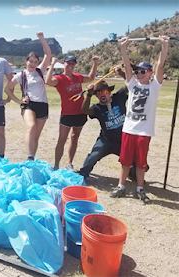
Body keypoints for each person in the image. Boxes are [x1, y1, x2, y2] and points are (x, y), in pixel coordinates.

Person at [110, 35, 169, 204]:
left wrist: (164, 47)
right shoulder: (132, 84)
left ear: (149, 73)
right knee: (125, 161)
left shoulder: (154, 86)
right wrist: (123, 48)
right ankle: (121, 186)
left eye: (142, 71)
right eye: (137, 72)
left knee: (141, 163)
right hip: (129, 129)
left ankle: (139, 189)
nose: (138, 74)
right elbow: (127, 66)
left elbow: (160, 65)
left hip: (144, 131)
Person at [45, 54, 99, 171]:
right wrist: (52, 65)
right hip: (67, 114)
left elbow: (90, 78)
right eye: (68, 63)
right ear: (64, 63)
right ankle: (56, 165)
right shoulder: (60, 78)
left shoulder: (78, 77)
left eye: (73, 63)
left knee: (74, 138)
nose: (70, 65)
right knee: (62, 139)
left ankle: (69, 163)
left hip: (80, 113)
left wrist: (95, 63)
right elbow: (48, 81)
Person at [4, 32, 52, 161]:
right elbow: (7, 89)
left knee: (36, 136)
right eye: (31, 61)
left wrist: (42, 38)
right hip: (29, 105)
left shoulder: (40, 71)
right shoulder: (21, 75)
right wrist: (18, 100)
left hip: (43, 105)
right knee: (31, 127)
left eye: (36, 62)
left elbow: (48, 54)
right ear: (26, 61)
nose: (33, 64)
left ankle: (32, 159)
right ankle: (29, 157)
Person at [78, 69, 128, 178]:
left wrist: (121, 73)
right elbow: (85, 110)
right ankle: (82, 174)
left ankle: (132, 174)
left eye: (104, 92)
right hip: (106, 140)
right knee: (94, 155)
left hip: (123, 141)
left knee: (137, 165)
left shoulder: (119, 97)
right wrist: (89, 96)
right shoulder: (97, 108)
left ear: (109, 92)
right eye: (99, 93)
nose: (102, 95)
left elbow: (131, 83)